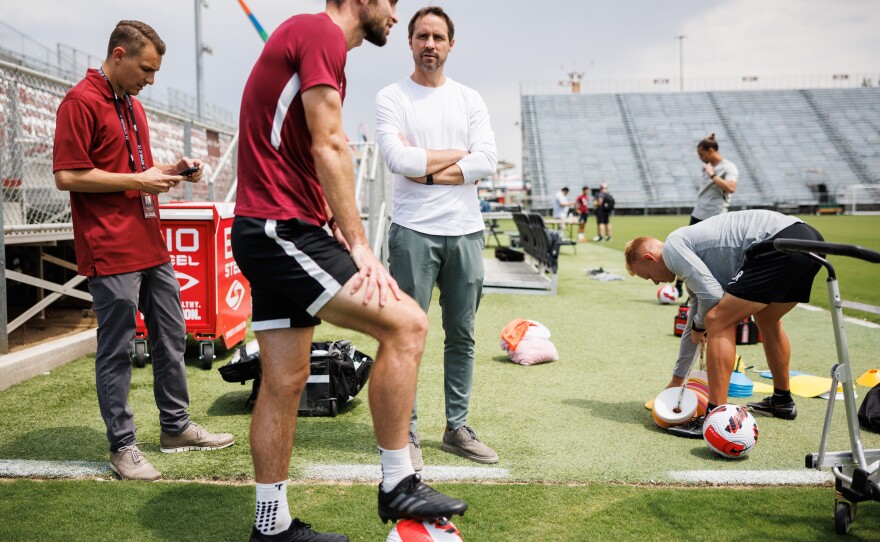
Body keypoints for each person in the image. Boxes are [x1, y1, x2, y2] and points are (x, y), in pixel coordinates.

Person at [232, 2, 467, 540]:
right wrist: (359, 244)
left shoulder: (312, 38)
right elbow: (330, 142)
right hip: (279, 228)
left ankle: (271, 527)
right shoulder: (320, 34)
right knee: (406, 323)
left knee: (285, 380)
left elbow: (299, 152)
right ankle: (397, 481)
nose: (394, 14)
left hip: (274, 225)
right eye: (392, 4)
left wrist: (332, 223)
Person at [52, 20, 234, 482]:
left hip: (150, 242)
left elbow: (133, 169)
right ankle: (123, 447)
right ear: (119, 55)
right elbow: (68, 176)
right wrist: (138, 180)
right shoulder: (79, 102)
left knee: (172, 336)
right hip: (109, 247)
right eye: (146, 69)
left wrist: (172, 170)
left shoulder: (131, 104)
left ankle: (175, 428)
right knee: (116, 350)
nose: (150, 81)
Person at [375, 5, 499, 472]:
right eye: (422, 36)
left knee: (462, 335)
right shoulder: (392, 96)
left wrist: (430, 170)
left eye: (438, 37)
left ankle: (456, 428)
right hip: (412, 233)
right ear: (410, 43)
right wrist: (456, 161)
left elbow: (487, 159)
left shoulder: (469, 98)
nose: (430, 44)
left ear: (451, 44)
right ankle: (404, 431)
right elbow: (397, 159)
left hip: (465, 232)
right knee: (406, 336)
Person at [624, 210, 824, 438]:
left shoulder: (672, 248)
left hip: (776, 244)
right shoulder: (689, 252)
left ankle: (714, 416)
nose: (656, 282)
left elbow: (710, 300)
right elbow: (696, 314)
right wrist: (678, 378)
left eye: (649, 276)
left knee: (717, 321)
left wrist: (701, 326)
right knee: (767, 320)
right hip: (809, 239)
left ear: (649, 259)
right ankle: (782, 400)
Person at [674, 134, 739, 295]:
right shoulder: (708, 164)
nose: (700, 158)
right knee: (686, 250)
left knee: (712, 255)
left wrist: (712, 175)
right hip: (698, 213)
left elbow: (731, 188)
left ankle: (719, 289)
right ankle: (679, 285)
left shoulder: (728, 167)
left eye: (702, 154)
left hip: (715, 217)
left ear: (711, 150)